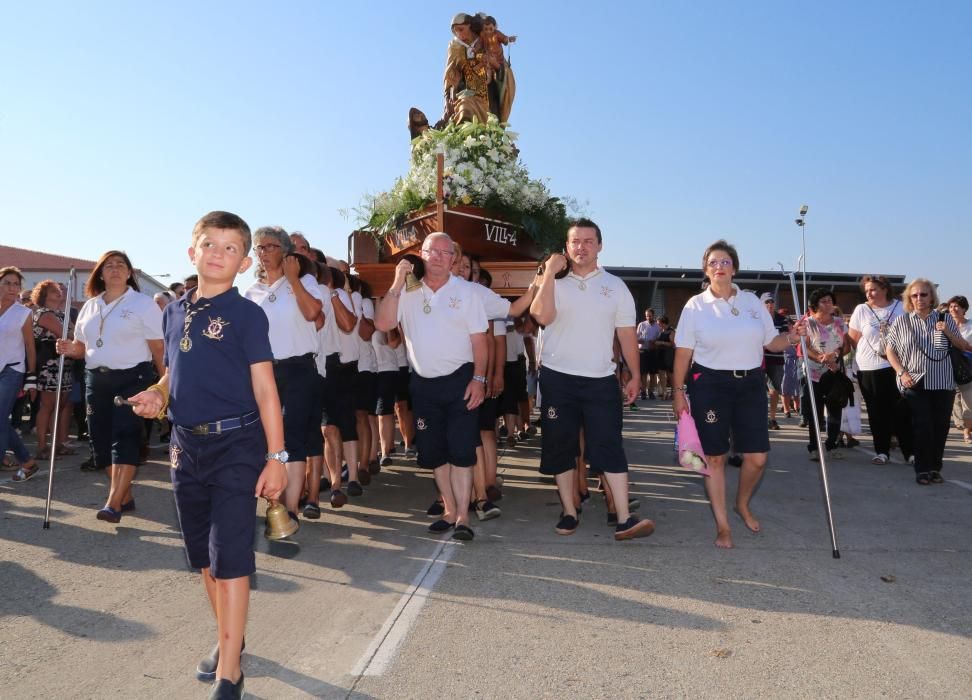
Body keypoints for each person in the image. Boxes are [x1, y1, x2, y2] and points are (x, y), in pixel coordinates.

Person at [130, 211, 286, 699]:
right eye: (209, 244)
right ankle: (231, 639)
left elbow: (265, 389)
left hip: (238, 445)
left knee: (230, 556)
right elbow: (173, 372)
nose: (218, 253)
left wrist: (277, 457)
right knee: (203, 555)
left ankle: (230, 671)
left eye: (231, 247)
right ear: (191, 251)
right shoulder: (174, 310)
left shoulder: (247, 314)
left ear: (243, 263)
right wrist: (157, 393)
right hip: (185, 446)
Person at [672, 240, 803, 549]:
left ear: (734, 268)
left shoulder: (752, 303)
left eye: (726, 262)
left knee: (757, 458)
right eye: (714, 262)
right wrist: (679, 392)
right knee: (714, 457)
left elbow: (772, 342)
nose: (720, 267)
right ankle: (723, 526)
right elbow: (682, 354)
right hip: (710, 385)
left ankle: (742, 503)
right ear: (706, 269)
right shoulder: (695, 306)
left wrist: (793, 336)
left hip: (750, 384)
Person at [530, 218, 655, 540]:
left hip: (600, 378)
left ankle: (625, 518)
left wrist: (636, 373)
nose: (581, 247)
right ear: (566, 247)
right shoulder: (554, 282)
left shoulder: (615, 287)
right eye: (575, 241)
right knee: (561, 446)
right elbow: (541, 316)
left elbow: (626, 334)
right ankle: (569, 512)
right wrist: (548, 274)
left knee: (609, 445)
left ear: (599, 246)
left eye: (588, 241)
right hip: (558, 378)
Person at [375, 232, 488, 541]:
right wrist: (398, 281)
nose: (437, 256)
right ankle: (449, 509)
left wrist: (479, 379)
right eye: (431, 251)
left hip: (461, 380)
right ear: (421, 255)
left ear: (454, 257)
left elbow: (480, 341)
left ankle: (464, 516)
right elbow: (384, 324)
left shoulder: (468, 292)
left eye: (444, 252)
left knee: (461, 453)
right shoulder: (408, 291)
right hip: (423, 382)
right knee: (435, 453)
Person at [55, 251, 164, 521]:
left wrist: (165, 387)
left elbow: (158, 348)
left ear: (129, 273)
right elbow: (82, 348)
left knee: (125, 437)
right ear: (100, 274)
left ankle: (113, 503)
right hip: (96, 379)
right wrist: (70, 348)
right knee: (100, 442)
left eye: (121, 265)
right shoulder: (90, 306)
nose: (114, 270)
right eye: (108, 266)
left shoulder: (143, 304)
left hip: (133, 379)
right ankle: (124, 496)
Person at [244, 227, 323, 529]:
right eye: (258, 248)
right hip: (263, 371)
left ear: (286, 252)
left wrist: (292, 280)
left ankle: (290, 510)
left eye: (270, 247)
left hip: (299, 369)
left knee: (291, 437)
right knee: (265, 436)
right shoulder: (251, 292)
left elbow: (313, 312)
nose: (263, 253)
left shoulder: (306, 282)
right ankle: (273, 501)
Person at [886, 279, 972, 485]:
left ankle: (935, 467)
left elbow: (963, 345)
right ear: (909, 298)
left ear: (931, 297)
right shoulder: (902, 321)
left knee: (940, 427)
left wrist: (948, 332)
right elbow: (890, 350)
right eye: (914, 295)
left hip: (943, 382)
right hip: (915, 382)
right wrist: (901, 372)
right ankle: (922, 469)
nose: (919, 299)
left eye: (923, 295)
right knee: (922, 425)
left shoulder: (945, 318)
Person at [847, 275, 911, 464]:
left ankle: (910, 452)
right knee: (876, 412)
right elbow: (851, 340)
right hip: (869, 368)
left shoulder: (901, 308)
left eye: (873, 289)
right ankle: (881, 451)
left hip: (897, 366)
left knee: (901, 411)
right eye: (866, 291)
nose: (869, 293)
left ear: (885, 289)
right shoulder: (861, 310)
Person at [801, 288, 851, 460]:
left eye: (830, 300)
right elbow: (804, 348)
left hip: (835, 374)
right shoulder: (808, 323)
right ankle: (814, 447)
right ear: (816, 304)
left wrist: (835, 355)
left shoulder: (840, 322)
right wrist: (821, 358)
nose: (828, 303)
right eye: (824, 301)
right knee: (815, 412)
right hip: (814, 374)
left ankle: (832, 445)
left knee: (835, 411)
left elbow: (846, 346)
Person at [31, 279, 74, 460]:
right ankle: (42, 446)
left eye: (59, 290)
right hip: (50, 365)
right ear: (44, 295)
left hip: (64, 365)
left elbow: (74, 335)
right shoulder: (44, 314)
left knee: (60, 405)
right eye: (53, 291)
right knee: (48, 405)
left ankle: (56, 444)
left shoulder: (61, 314)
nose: (59, 293)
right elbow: (68, 334)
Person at [1, 267, 38, 480]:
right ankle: (27, 462)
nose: (13, 287)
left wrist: (31, 377)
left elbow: (30, 346)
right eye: (8, 282)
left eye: (16, 284)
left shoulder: (23, 313)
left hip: (13, 370)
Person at [761, 293, 790, 430]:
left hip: (777, 359)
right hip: (759, 359)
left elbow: (784, 337)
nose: (770, 304)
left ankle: (772, 418)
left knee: (774, 390)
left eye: (772, 301)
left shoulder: (781, 319)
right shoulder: (757, 318)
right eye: (767, 302)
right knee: (758, 390)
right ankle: (761, 418)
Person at [945, 295, 972, 445]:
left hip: (967, 366)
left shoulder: (970, 326)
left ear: (964, 309)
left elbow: (966, 346)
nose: (953, 309)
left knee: (968, 400)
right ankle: (962, 426)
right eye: (951, 307)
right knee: (954, 399)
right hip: (948, 366)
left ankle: (967, 431)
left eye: (956, 306)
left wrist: (964, 347)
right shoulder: (945, 325)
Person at [636, 309, 661, 399]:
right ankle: (643, 392)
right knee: (643, 373)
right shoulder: (641, 325)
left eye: (650, 315)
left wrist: (655, 342)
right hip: (643, 351)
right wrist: (639, 340)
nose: (648, 317)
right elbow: (635, 337)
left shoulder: (657, 326)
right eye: (647, 315)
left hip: (653, 351)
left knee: (653, 373)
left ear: (653, 315)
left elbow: (659, 339)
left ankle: (650, 392)